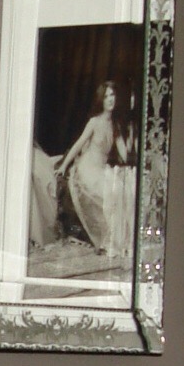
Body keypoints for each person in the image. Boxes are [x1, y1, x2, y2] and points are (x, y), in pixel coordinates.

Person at [54, 81, 133, 255]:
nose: (110, 99)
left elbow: (125, 155)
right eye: (106, 96)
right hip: (88, 168)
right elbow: (79, 144)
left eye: (112, 95)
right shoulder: (94, 122)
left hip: (102, 170)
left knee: (120, 190)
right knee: (108, 193)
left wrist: (131, 134)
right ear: (101, 100)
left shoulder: (116, 125)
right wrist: (65, 165)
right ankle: (105, 241)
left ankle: (115, 241)